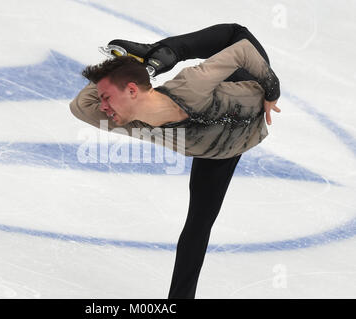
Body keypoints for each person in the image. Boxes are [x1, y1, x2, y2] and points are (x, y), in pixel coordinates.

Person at [69, 23, 281, 299]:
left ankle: (157, 53)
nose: (104, 107)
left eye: (107, 98)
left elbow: (243, 50)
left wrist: (272, 90)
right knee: (198, 224)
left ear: (132, 90)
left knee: (229, 35)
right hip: (221, 150)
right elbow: (80, 107)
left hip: (246, 78)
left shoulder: (191, 85)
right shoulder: (130, 122)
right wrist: (115, 68)